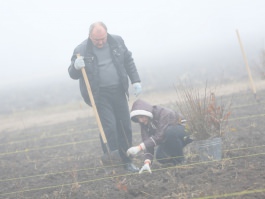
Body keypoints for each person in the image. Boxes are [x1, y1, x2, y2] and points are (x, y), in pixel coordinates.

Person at [68, 21, 142, 172]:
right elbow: (72, 74)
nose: (100, 42)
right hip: (99, 95)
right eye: (97, 40)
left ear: (106, 34)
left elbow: (128, 60)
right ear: (90, 36)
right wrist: (76, 66)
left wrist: (135, 81)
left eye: (103, 38)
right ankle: (111, 165)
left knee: (125, 126)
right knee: (109, 127)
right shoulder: (81, 50)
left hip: (119, 90)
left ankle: (127, 161)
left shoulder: (117, 42)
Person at [127, 99, 192, 174]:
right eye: (138, 118)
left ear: (147, 113)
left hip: (183, 132)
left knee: (170, 132)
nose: (141, 120)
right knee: (160, 156)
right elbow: (147, 143)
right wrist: (147, 162)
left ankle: (181, 162)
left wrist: (139, 147)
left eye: (141, 117)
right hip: (170, 139)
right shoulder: (144, 123)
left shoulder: (163, 113)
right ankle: (176, 163)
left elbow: (160, 136)